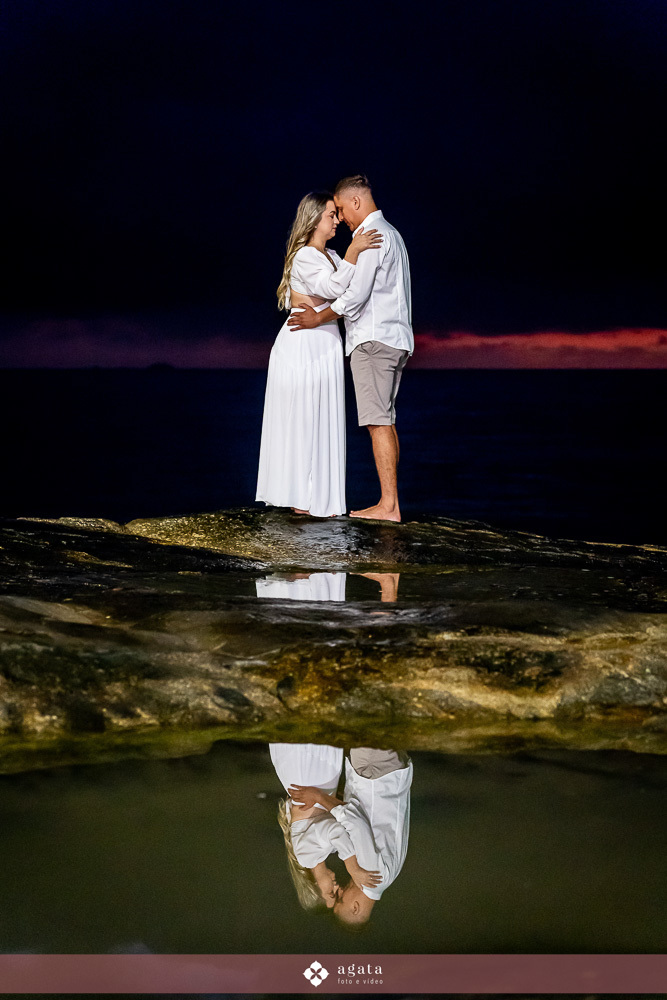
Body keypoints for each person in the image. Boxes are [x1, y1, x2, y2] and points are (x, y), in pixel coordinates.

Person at [288, 175, 413, 523]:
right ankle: (391, 502)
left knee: (377, 423)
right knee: (385, 420)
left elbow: (355, 296)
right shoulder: (393, 234)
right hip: (396, 337)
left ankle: (388, 506)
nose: (341, 219)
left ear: (355, 202)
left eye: (341, 209)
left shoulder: (369, 237)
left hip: (374, 340)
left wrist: (319, 318)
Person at [256, 192, 383, 518]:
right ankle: (302, 502)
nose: (337, 220)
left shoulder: (332, 255)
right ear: (313, 220)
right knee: (305, 421)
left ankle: (317, 504)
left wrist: (351, 259)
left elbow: (351, 291)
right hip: (302, 348)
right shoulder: (304, 257)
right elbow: (333, 289)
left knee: (322, 421)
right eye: (331, 214)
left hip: (325, 345)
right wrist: (355, 252)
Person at [289, 746, 413, 927]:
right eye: (340, 900)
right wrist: (318, 797)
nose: (340, 890)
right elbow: (356, 823)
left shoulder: (387, 878)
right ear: (355, 908)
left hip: (385, 775)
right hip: (374, 774)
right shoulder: (372, 878)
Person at [270, 743, 382, 909]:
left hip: (309, 775)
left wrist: (353, 868)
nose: (337, 887)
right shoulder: (324, 852)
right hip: (320, 777)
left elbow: (334, 830)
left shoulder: (306, 857)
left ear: (314, 888)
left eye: (331, 892)